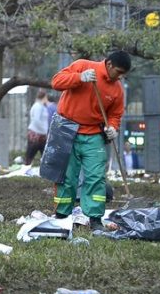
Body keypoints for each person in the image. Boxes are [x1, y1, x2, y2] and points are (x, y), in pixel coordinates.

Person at [49, 50, 130, 231]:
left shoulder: (117, 90)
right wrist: (79, 78)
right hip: (67, 130)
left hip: (94, 135)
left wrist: (112, 128)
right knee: (67, 176)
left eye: (124, 74)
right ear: (109, 65)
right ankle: (62, 215)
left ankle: (94, 219)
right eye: (119, 72)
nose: (121, 77)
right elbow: (56, 82)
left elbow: (115, 114)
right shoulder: (83, 66)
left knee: (96, 177)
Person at [25, 89, 51, 165]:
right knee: (30, 154)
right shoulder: (38, 106)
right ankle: (26, 169)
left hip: (41, 135)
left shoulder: (42, 106)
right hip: (36, 135)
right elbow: (36, 120)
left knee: (45, 154)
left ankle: (46, 170)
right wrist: (44, 131)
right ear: (44, 97)